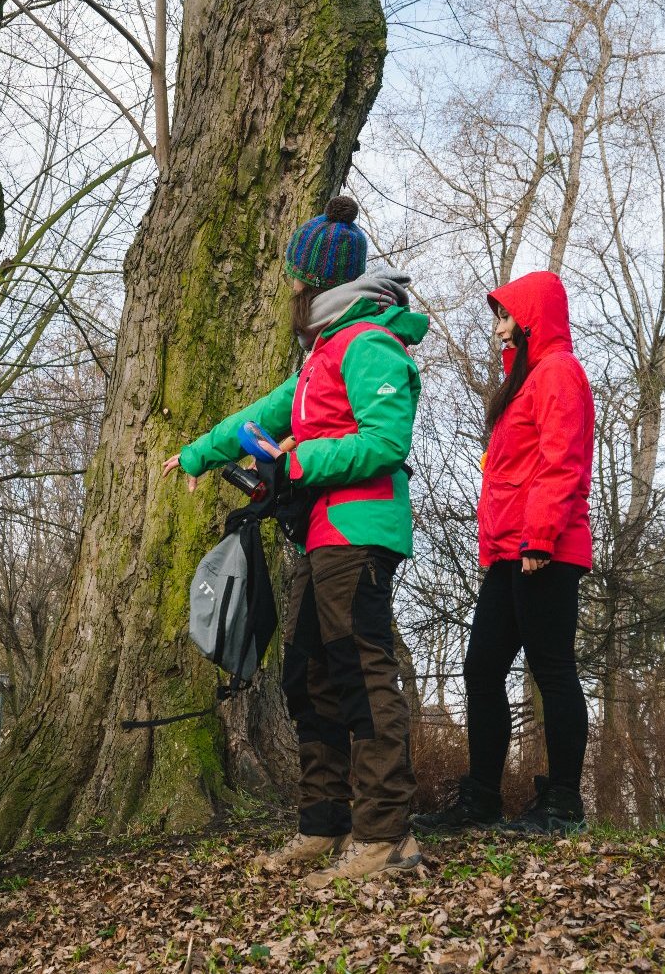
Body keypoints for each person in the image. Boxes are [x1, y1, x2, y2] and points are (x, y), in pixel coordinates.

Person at [163, 196, 429, 888]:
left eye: (292, 276)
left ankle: (386, 835)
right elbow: (265, 413)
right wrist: (197, 452)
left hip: (361, 531)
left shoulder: (369, 342)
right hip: (321, 535)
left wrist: (296, 463)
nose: (286, 287)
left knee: (363, 677)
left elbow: (384, 442)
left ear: (314, 282)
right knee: (307, 677)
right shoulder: (324, 352)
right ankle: (324, 823)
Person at [411, 269, 595, 836]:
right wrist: (498, 544)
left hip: (546, 548)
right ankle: (482, 801)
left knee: (552, 669)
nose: (497, 327)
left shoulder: (559, 373)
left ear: (531, 316)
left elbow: (561, 461)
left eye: (504, 315)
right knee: (482, 668)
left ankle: (564, 805)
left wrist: (539, 536)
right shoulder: (525, 379)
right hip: (511, 551)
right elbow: (509, 474)